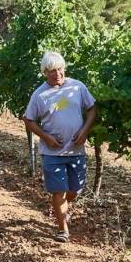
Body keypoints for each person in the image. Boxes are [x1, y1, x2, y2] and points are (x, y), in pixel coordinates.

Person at [23, 51, 96, 243]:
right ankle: (63, 229)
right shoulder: (40, 95)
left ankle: (60, 209)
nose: (58, 74)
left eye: (60, 69)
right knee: (59, 190)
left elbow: (92, 109)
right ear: (44, 72)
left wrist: (85, 130)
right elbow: (29, 120)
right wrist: (45, 137)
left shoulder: (77, 87)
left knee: (75, 190)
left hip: (76, 150)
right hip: (52, 153)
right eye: (52, 71)